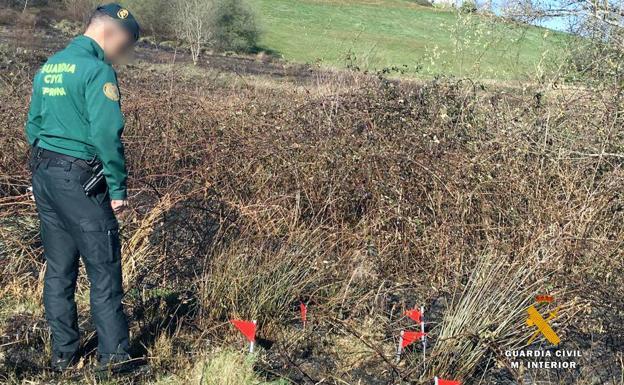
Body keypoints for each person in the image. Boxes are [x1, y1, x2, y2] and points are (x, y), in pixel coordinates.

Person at [24, 3, 140, 372]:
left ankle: (64, 354)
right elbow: (106, 133)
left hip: (45, 174)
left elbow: (33, 125)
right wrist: (117, 188)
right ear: (110, 33)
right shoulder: (96, 70)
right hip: (80, 180)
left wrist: (39, 177)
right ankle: (116, 362)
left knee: (59, 270)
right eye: (126, 44)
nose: (124, 54)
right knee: (103, 269)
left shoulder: (50, 66)